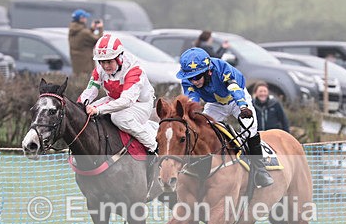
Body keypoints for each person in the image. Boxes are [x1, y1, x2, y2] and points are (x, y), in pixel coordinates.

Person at [176, 47, 273, 188]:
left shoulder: (222, 68)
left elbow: (234, 89)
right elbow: (192, 101)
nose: (194, 82)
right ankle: (201, 166)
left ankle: (260, 169)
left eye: (197, 77)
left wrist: (243, 107)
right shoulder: (188, 81)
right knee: (200, 129)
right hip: (215, 104)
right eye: (190, 78)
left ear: (208, 71)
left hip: (236, 99)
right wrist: (190, 116)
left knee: (249, 128)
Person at [78, 33, 159, 155]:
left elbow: (126, 101)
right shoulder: (99, 68)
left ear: (119, 58)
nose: (105, 66)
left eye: (109, 62)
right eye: (102, 62)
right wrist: (78, 106)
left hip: (140, 104)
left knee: (118, 118)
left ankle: (153, 146)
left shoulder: (134, 69)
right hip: (114, 100)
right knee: (84, 113)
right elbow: (90, 91)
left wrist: (98, 110)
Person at [68, 9, 103, 78]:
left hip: (77, 66)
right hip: (86, 66)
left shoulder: (73, 30)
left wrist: (92, 29)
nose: (86, 19)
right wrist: (100, 28)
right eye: (84, 17)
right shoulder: (84, 33)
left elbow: (84, 39)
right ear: (81, 19)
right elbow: (99, 40)